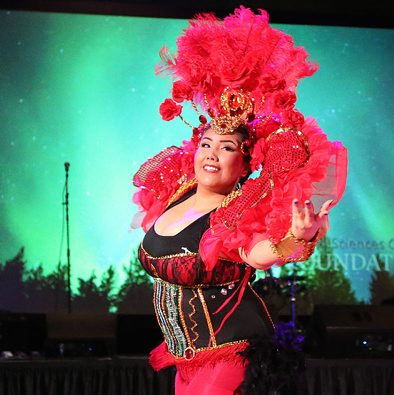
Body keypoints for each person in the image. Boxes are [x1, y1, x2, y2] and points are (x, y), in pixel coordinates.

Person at [131, 6, 348, 394]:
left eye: (226, 147)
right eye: (207, 144)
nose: (211, 153)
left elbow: (257, 254)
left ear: (245, 162)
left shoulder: (238, 209)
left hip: (234, 351)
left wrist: (298, 238)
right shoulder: (172, 192)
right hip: (187, 360)